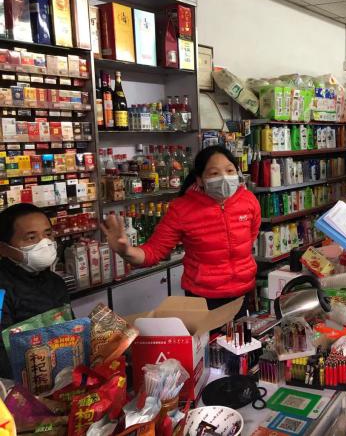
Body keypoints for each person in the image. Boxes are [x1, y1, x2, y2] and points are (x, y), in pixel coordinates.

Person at [101, 145, 261, 317]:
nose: (224, 178)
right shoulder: (182, 209)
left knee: (242, 334)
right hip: (203, 299)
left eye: (230, 171)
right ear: (199, 180)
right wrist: (126, 251)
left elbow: (251, 237)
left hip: (243, 293)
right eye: (214, 173)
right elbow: (153, 252)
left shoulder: (249, 201)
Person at [0, 203, 69, 378]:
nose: (44, 243)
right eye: (31, 238)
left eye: (48, 234)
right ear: (4, 248)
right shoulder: (2, 290)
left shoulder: (56, 282)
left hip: (62, 377)